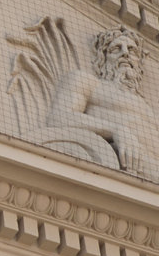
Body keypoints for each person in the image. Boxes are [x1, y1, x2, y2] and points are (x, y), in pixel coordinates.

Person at [47, 26, 158, 179]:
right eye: (116, 49)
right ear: (103, 57)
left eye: (132, 50)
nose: (125, 53)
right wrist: (116, 130)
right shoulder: (88, 83)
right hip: (131, 165)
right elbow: (59, 117)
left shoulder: (148, 108)